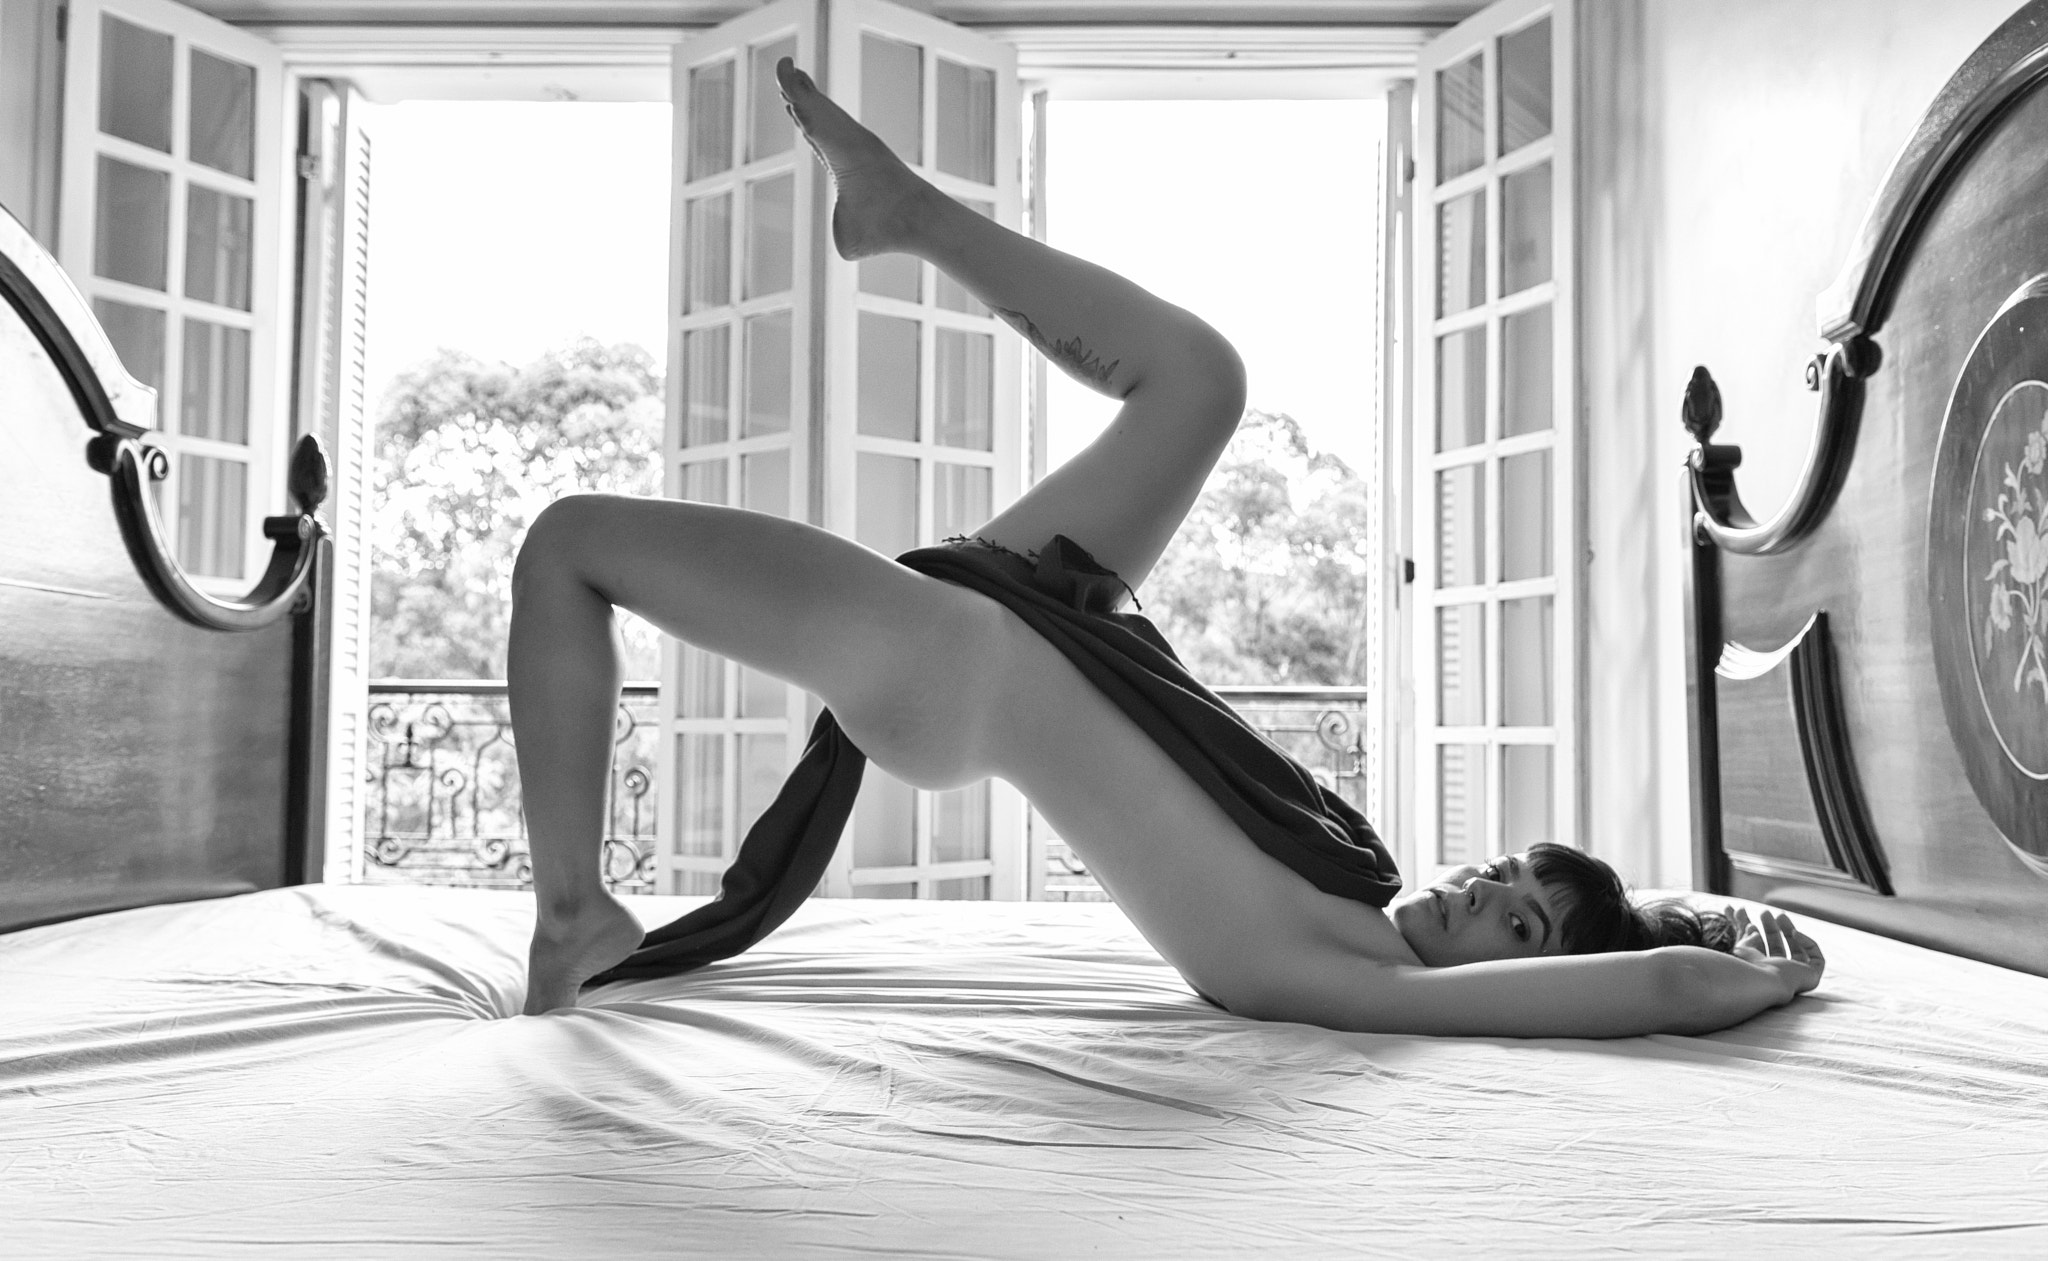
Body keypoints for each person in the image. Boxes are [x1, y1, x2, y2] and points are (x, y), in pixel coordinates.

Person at [508, 60, 1826, 1034]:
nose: (1482, 892)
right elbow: (1651, 933)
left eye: (1516, 921)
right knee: (1202, 380)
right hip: (1048, 611)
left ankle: (573, 909)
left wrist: (1777, 959)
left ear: (1525, 979)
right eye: (1504, 873)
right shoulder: (1359, 891)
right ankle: (908, 214)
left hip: (956, 666)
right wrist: (1692, 904)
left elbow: (1665, 984)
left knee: (566, 545)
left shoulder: (1346, 977)